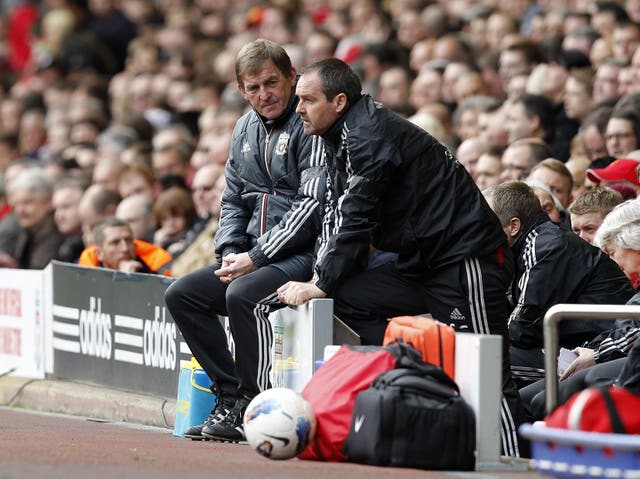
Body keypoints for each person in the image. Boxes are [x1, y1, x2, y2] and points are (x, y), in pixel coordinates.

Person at [279, 58, 522, 457]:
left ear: (339, 101)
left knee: (486, 364)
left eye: (307, 99)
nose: (298, 108)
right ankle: (415, 372)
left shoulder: (368, 135)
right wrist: (325, 281)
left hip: (465, 258)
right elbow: (335, 210)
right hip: (419, 261)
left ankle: (508, 460)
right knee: (348, 297)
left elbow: (355, 216)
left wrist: (318, 282)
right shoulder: (335, 134)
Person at [163, 39, 324, 443]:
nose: (264, 95)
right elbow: (233, 197)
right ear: (241, 90)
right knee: (182, 294)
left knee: (243, 296)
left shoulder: (310, 124)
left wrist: (256, 256)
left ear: (292, 77)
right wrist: (231, 251)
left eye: (272, 82)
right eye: (253, 88)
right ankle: (229, 395)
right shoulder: (243, 128)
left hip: (308, 253)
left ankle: (254, 404)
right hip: (253, 253)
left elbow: (312, 206)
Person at [483, 181, 635, 388]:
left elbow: (523, 329)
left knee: (484, 357)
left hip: (594, 351)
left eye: (485, 222)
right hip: (576, 346)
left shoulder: (546, 246)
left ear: (514, 226)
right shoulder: (528, 246)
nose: (478, 231)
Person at [521, 198, 640, 422]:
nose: (614, 262)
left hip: (614, 361)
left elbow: (633, 334)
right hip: (598, 353)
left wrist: (596, 354)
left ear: (633, 244)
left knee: (541, 400)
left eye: (613, 253)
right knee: (523, 398)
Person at [78, 216, 172, 275]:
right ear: (99, 253)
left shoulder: (154, 273)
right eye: (115, 242)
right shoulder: (88, 278)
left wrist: (132, 279)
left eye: (128, 240)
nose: (125, 248)